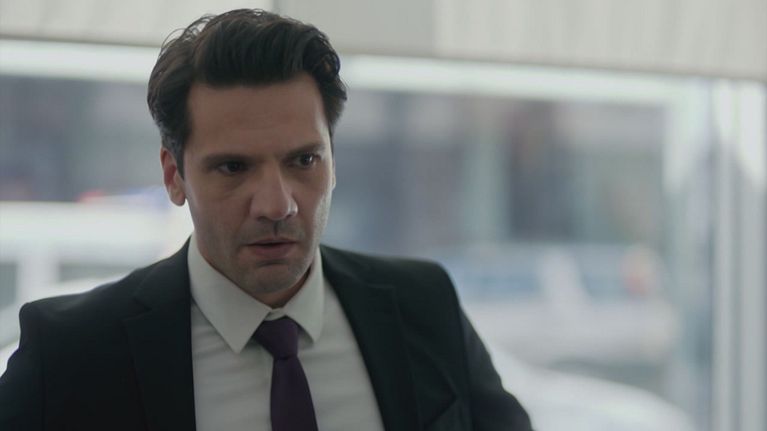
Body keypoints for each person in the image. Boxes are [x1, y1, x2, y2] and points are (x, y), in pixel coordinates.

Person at [0, 9, 531, 431]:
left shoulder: (424, 306)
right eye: (234, 167)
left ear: (333, 160)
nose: (277, 206)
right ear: (174, 176)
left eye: (304, 160)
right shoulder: (73, 352)